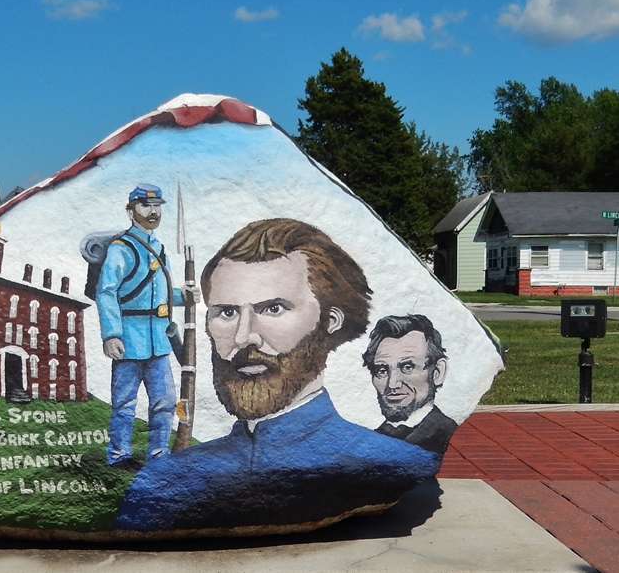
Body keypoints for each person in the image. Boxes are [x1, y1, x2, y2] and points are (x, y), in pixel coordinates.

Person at [116, 218, 440, 531]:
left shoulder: (390, 463)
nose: (244, 337)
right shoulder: (162, 481)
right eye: (227, 312)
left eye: (273, 309)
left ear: (330, 321)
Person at [96, 184, 188, 471]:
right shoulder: (121, 248)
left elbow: (159, 291)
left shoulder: (158, 248)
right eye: (146, 206)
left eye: (157, 206)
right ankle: (119, 455)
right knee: (124, 403)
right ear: (131, 210)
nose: (153, 212)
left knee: (165, 401)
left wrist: (183, 297)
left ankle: (159, 456)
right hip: (130, 339)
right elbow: (107, 291)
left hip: (159, 340)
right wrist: (112, 334)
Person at [362, 314, 457, 454]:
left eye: (407, 367)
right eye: (382, 370)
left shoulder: (447, 434)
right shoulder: (373, 438)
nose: (392, 384)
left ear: (437, 372)